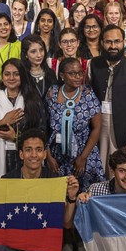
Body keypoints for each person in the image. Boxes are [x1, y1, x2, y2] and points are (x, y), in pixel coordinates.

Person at [89, 25, 126, 178]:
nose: (113, 46)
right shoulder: (93, 65)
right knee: (99, 171)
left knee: (120, 173)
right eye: (108, 42)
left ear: (124, 42)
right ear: (102, 43)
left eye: (117, 41)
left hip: (123, 131)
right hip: (98, 128)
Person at [47, 57, 103, 193]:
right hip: (57, 156)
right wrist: (48, 156)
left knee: (84, 195)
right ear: (62, 75)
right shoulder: (52, 93)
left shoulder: (88, 95)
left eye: (80, 73)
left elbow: (97, 128)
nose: (78, 77)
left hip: (83, 154)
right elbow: (45, 126)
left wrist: (83, 158)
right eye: (72, 73)